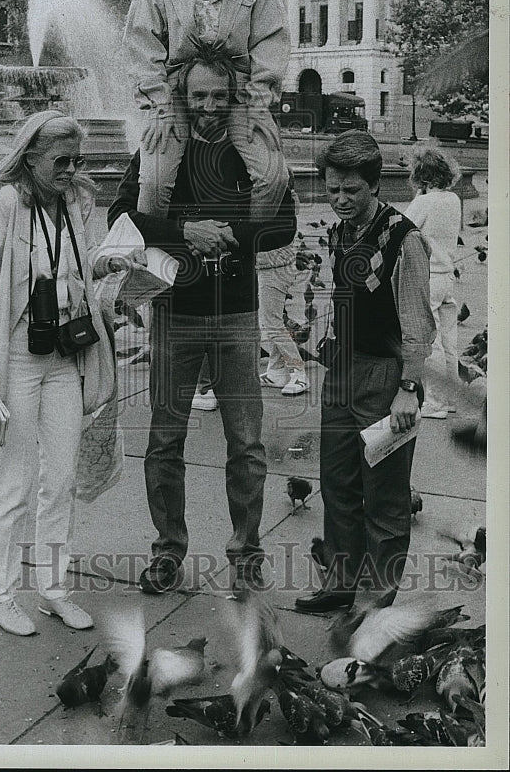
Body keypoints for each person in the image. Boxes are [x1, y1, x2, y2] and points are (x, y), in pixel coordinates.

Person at [107, 55, 297, 600]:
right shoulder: (159, 149)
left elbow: (285, 222)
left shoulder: (255, 150)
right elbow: (120, 215)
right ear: (182, 98)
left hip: (237, 313)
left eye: (220, 96)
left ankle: (246, 552)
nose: (210, 107)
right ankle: (168, 550)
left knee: (247, 444)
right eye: (199, 97)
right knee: (164, 441)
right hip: (176, 314)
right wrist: (186, 230)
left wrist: (229, 233)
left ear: (235, 96)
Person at [0, 111, 134, 636]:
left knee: (61, 478)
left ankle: (53, 587)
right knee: (14, 481)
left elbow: (88, 261)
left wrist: (110, 265)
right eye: (60, 161)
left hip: (68, 350)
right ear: (31, 158)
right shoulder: (4, 204)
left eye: (76, 161)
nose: (70, 170)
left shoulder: (79, 201)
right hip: (18, 352)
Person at [295, 132, 436, 614]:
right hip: (342, 372)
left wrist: (408, 391)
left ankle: (375, 601)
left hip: (385, 379)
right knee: (337, 484)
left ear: (375, 185)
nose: (340, 199)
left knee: (385, 496)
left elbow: (419, 326)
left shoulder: (405, 239)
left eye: (351, 191)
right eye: (332, 189)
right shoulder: (341, 233)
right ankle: (340, 582)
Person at [123, 0, 290, 222]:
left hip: (239, 91)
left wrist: (259, 103)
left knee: (275, 176)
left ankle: (241, 248)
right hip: (176, 92)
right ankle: (152, 258)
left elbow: (271, 38)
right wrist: (160, 104)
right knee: (154, 181)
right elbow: (142, 40)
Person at [404, 146, 462, 418]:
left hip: (429, 277)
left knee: (431, 341)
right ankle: (450, 398)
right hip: (448, 276)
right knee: (449, 341)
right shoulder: (453, 199)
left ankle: (435, 403)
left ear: (421, 177)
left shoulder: (424, 202)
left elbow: (403, 228)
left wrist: (418, 196)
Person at [256, 170, 310, 396]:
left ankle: (299, 373)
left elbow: (267, 243)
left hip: (273, 269)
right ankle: (276, 370)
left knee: (271, 323)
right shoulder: (286, 200)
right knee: (273, 320)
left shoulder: (278, 204)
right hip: (278, 268)